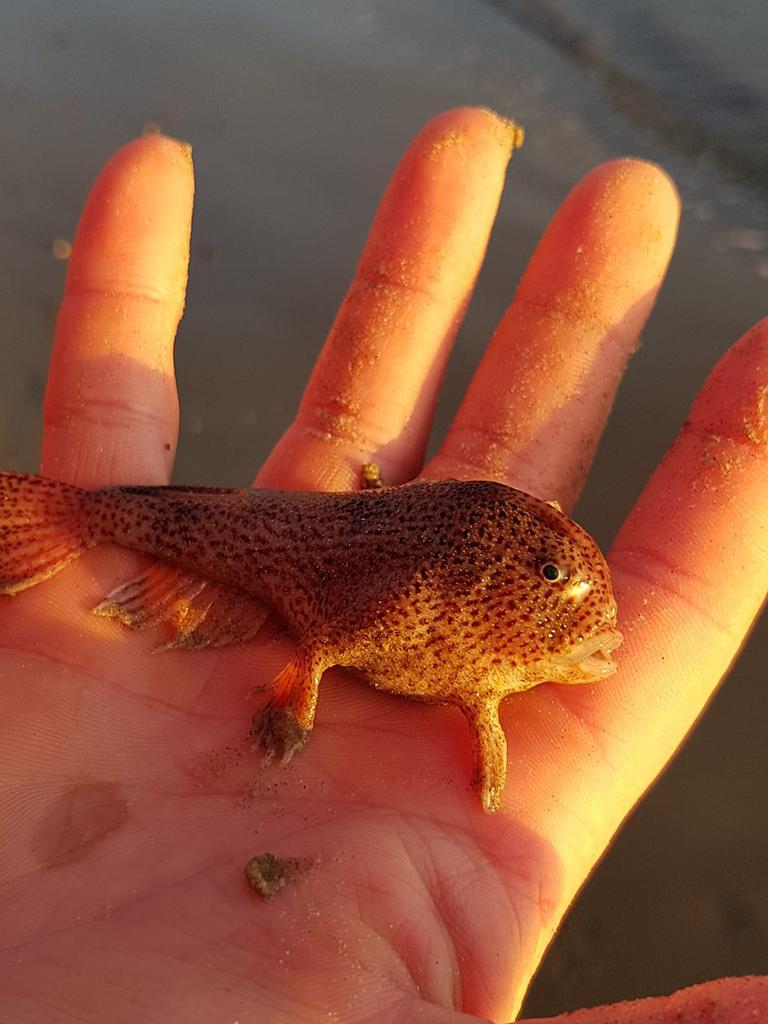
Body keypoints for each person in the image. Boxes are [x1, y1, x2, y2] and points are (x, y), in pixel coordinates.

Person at [0, 107, 765, 1024]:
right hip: (267, 546)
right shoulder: (411, 606)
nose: (592, 621)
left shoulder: (481, 648)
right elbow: (329, 629)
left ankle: (82, 517)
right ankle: (75, 516)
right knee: (162, 525)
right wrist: (299, 689)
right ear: (483, 579)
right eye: (555, 580)